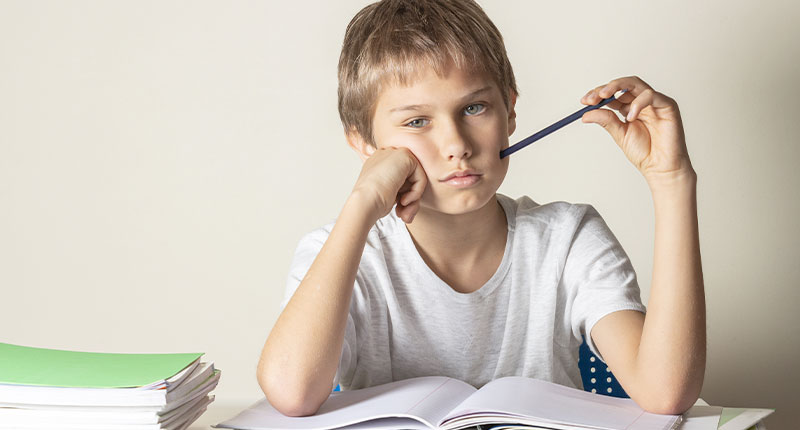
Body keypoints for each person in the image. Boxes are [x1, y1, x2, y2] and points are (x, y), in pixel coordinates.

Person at [257, 0, 705, 418]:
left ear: (509, 111)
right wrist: (361, 206)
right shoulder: (340, 250)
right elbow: (291, 393)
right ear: (363, 142)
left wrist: (671, 182)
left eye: (474, 108)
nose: (456, 145)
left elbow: (665, 393)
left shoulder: (568, 237)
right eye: (417, 121)